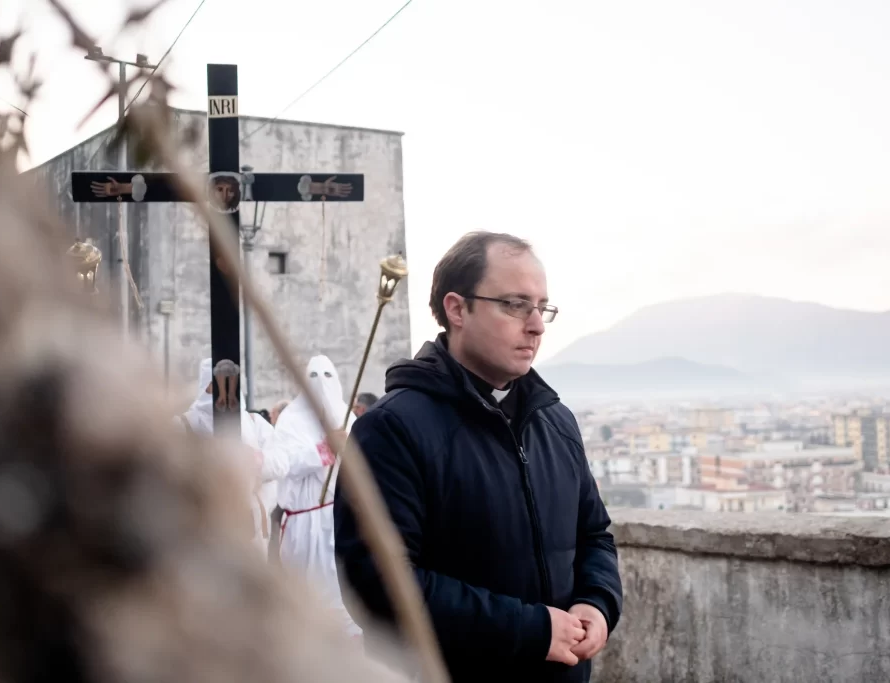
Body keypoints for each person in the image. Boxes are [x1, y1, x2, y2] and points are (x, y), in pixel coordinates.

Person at [334, 232, 623, 682]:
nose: (537, 325)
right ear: (457, 309)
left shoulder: (556, 422)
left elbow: (594, 535)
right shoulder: (392, 430)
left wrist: (598, 602)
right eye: (514, 304)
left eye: (542, 306)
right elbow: (380, 585)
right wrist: (532, 629)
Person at [273, 355, 361, 637]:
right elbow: (286, 462)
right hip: (303, 524)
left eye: (326, 376)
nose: (320, 384)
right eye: (313, 377)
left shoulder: (347, 416)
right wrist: (323, 451)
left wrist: (346, 448)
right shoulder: (290, 420)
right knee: (306, 597)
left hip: (339, 518)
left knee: (344, 596)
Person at [176, 358, 289, 556]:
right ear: (207, 384)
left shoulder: (255, 423)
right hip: (198, 528)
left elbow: (282, 462)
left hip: (249, 525)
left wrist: (254, 460)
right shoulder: (183, 425)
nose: (225, 389)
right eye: (217, 383)